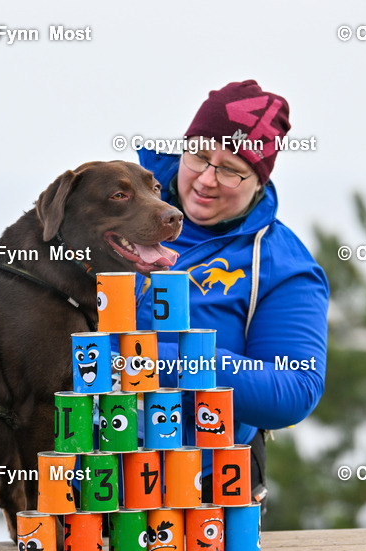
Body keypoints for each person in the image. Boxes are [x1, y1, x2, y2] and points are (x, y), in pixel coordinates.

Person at [135, 80, 329, 510]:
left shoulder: (282, 265)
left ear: (258, 181)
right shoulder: (112, 209)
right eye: (199, 156)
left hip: (204, 492)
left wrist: (155, 362)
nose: (206, 179)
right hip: (88, 480)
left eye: (231, 169)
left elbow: (295, 388)